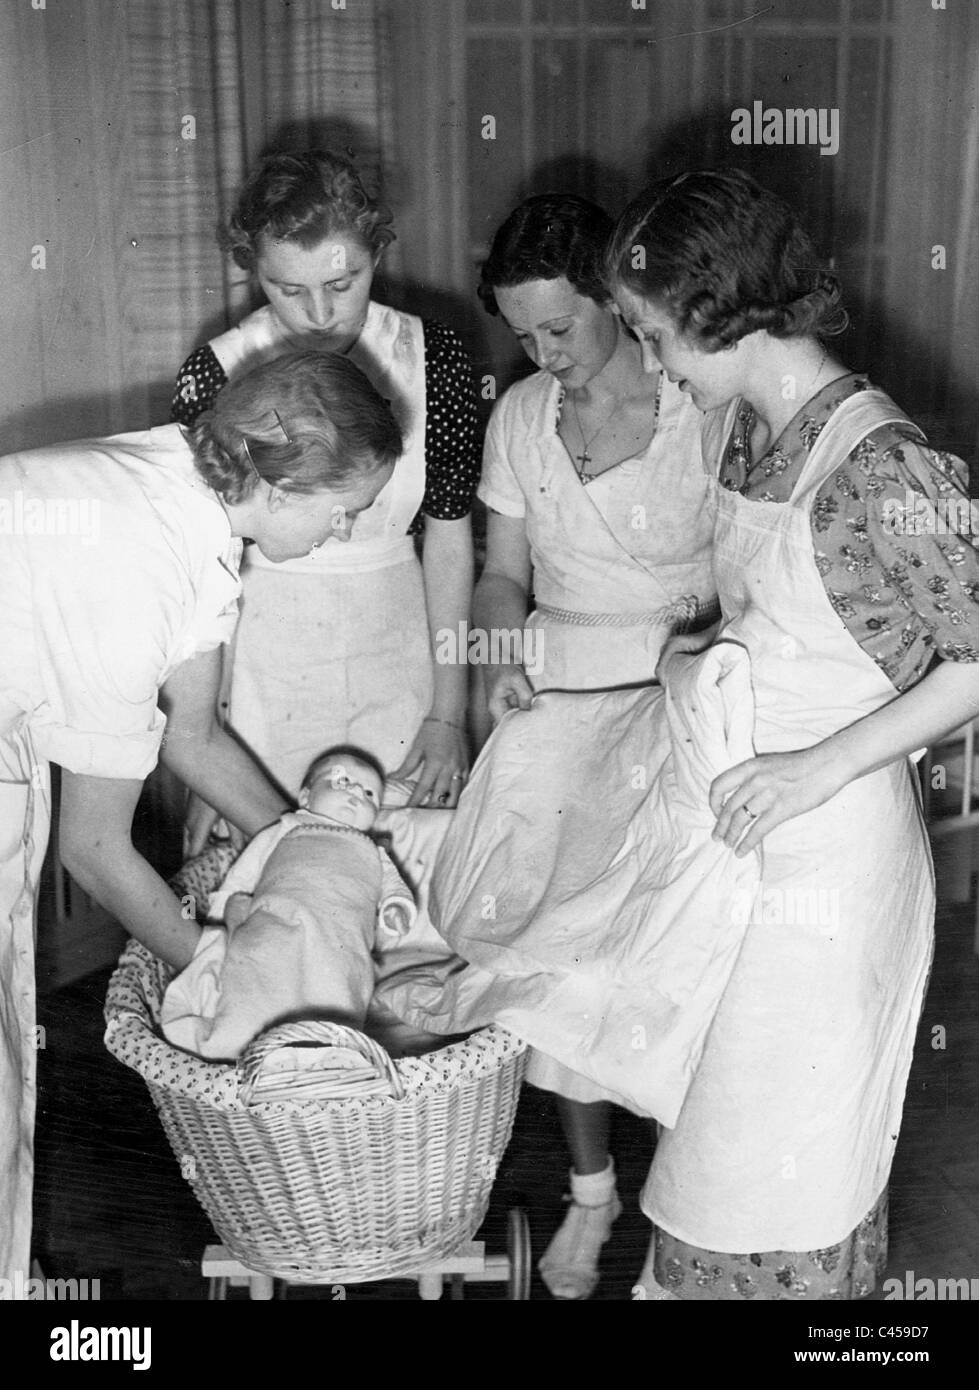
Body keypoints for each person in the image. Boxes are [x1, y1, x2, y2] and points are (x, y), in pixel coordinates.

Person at [602, 168, 979, 1299]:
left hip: (833, 857)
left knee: (783, 1170)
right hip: (749, 845)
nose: (655, 364)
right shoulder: (746, 432)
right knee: (711, 1153)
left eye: (658, 337)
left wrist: (815, 765)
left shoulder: (883, 462)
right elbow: (770, 620)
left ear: (727, 314)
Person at [0, 348, 401, 1288]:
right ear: (279, 478)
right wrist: (232, 979)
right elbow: (94, 850)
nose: (344, 533)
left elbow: (194, 737)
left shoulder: (194, 511)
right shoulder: (136, 552)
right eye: (342, 509)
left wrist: (324, 849)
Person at [472, 194, 717, 1298]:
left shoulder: (700, 410)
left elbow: (747, 580)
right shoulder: (519, 416)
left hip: (680, 699)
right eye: (525, 334)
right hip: (560, 696)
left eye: (562, 326)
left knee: (672, 963)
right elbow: (500, 573)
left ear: (619, 299)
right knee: (554, 953)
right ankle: (589, 1192)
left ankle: (691, 1206)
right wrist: (492, 649)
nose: (544, 353)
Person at [172, 149, 479, 823]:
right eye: (288, 289)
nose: (318, 314)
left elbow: (451, 542)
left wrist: (448, 714)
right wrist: (207, 733)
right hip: (261, 662)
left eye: (344, 284)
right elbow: (203, 565)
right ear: (253, 268)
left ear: (375, 254)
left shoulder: (436, 358)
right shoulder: (214, 371)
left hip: (401, 646)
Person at [161, 748, 418, 1058]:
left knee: (337, 998)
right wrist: (222, 920)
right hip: (276, 929)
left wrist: (396, 909)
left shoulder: (374, 851)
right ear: (306, 797)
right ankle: (233, 1043)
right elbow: (241, 877)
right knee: (257, 981)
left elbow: (394, 888)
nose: (355, 794)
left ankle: (330, 1059)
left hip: (340, 946)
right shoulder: (286, 829)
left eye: (369, 794)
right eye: (342, 780)